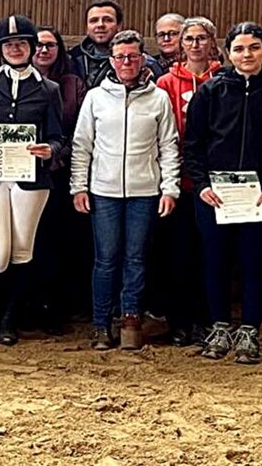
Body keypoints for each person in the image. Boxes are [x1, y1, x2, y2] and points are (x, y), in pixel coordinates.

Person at [184, 22, 262, 365]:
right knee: (216, 262)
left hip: (261, 198)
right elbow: (193, 145)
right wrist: (201, 185)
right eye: (239, 49)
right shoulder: (212, 90)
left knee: (254, 264)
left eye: (254, 48)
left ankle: (249, 330)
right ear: (228, 52)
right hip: (216, 197)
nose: (247, 55)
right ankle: (219, 327)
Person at [71, 30, 180, 351]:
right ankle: (101, 324)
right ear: (112, 60)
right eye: (120, 56)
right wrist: (79, 186)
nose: (127, 62)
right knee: (105, 259)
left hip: (144, 193)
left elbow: (169, 146)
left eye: (133, 56)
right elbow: (82, 146)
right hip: (103, 193)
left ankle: (130, 317)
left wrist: (169, 188)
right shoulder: (95, 97)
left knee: (135, 258)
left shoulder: (158, 98)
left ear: (143, 58)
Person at [0, 15, 63, 346]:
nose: (15, 49)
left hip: (30, 179)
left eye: (21, 43)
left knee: (22, 249)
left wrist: (50, 150)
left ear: (32, 48)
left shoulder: (49, 89)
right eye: (9, 44)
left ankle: (9, 318)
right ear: (0, 49)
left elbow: (58, 136)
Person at [153, 17, 223, 346]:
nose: (195, 44)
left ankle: (209, 320)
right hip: (179, 182)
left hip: (216, 184)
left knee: (211, 254)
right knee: (179, 255)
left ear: (212, 41)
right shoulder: (167, 82)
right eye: (189, 39)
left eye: (201, 38)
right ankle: (178, 322)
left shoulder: (225, 78)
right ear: (181, 45)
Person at [28, 26, 87, 333]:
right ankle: (28, 307)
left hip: (60, 175)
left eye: (51, 45)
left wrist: (56, 156)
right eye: (37, 44)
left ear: (60, 50)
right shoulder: (12, 81)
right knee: (28, 242)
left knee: (58, 243)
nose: (43, 50)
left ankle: (55, 309)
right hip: (20, 176)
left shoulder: (73, 84)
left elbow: (79, 131)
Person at [70, 0, 161, 89]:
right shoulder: (71, 59)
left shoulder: (143, 62)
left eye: (107, 20)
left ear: (119, 26)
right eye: (94, 20)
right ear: (87, 27)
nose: (100, 25)